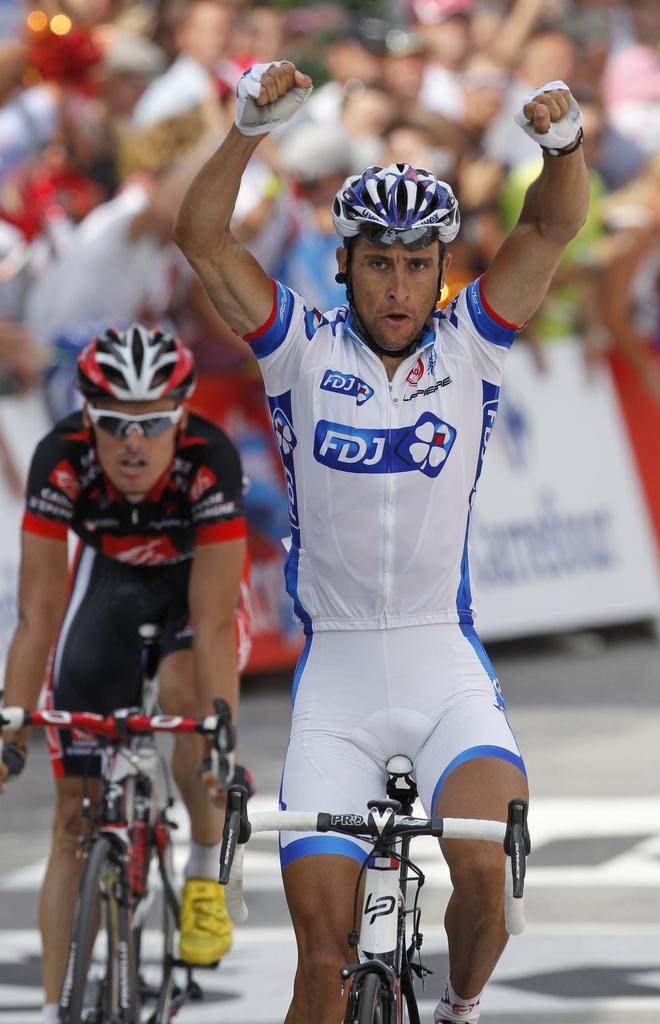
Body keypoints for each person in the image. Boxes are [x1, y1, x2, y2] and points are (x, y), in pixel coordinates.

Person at [173, 61, 588, 1024]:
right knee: (321, 966)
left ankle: (458, 1008)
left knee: (486, 878)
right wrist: (246, 129)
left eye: (416, 264)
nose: (398, 286)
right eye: (378, 262)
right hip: (340, 685)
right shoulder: (299, 349)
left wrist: (562, 147)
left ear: (440, 267)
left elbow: (551, 225)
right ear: (346, 264)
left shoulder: (470, 344)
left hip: (444, 665)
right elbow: (200, 237)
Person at [0, 324, 250, 1024]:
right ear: (87, 420)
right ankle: (57, 1009)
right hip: (107, 587)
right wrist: (11, 728)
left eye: (152, 423)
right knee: (73, 817)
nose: (132, 443)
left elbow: (214, 617)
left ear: (182, 415)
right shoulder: (61, 460)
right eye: (113, 424)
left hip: (190, 593)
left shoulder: (210, 461)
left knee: (183, 697)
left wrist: (220, 738)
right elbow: (38, 612)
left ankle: (203, 870)